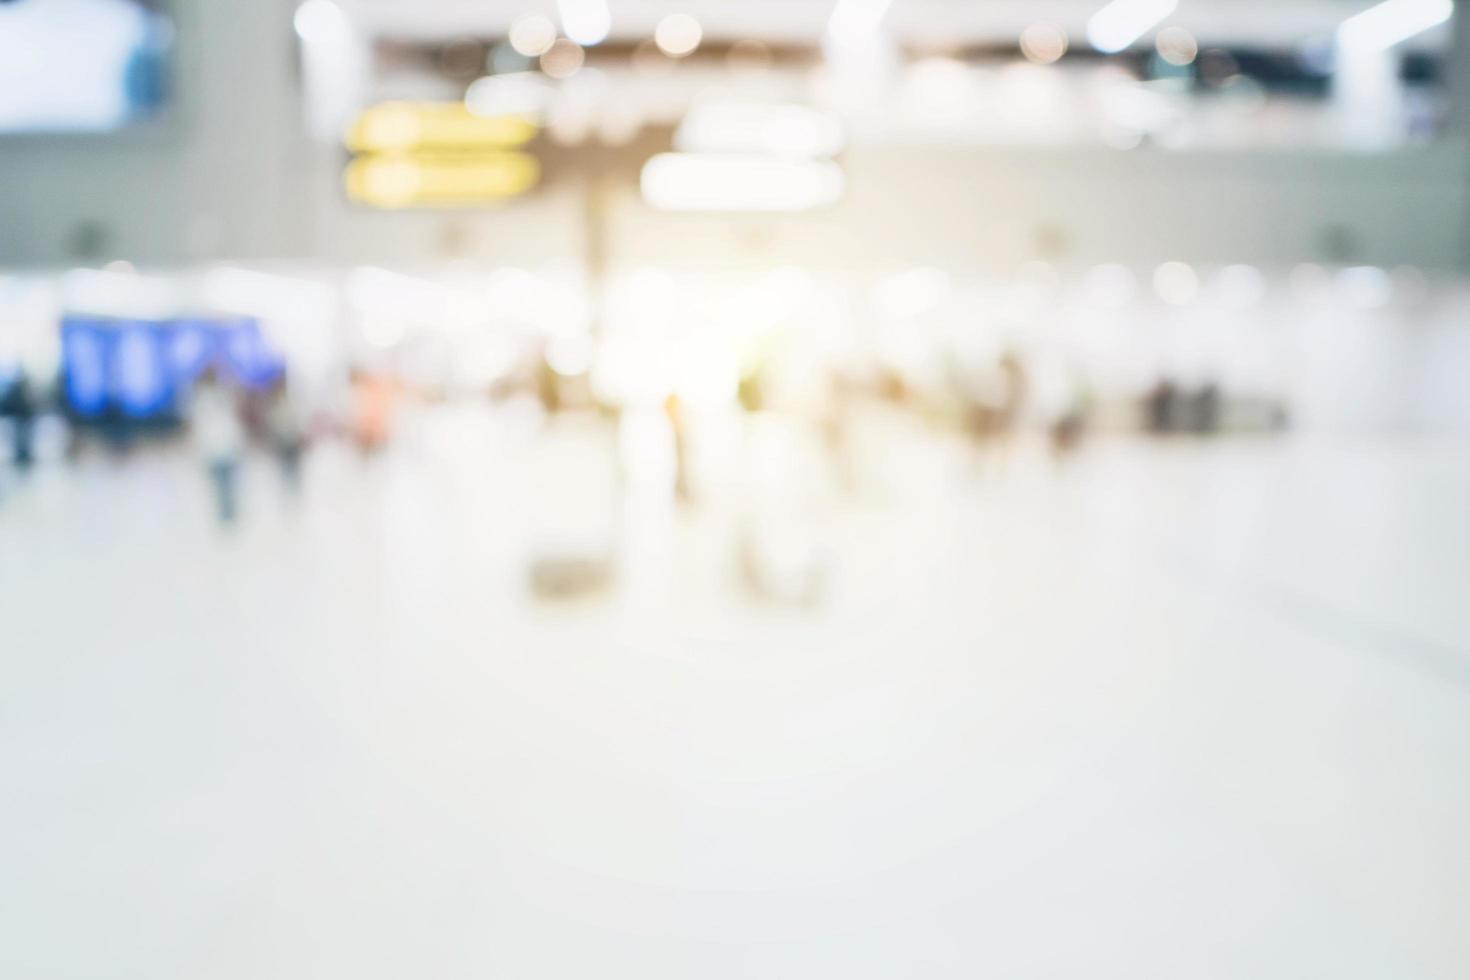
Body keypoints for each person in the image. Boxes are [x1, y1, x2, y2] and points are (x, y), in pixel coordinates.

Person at [192, 367, 245, 525]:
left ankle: (230, 514)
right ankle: (225, 515)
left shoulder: (223, 394)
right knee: (220, 485)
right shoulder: (200, 398)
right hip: (213, 448)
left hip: (225, 446)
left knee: (228, 484)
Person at [263, 371, 308, 492]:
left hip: (293, 441)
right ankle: (287, 495)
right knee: (284, 472)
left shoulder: (292, 400)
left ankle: (295, 494)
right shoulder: (272, 403)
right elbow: (271, 423)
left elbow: (297, 419)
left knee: (296, 472)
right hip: (281, 442)